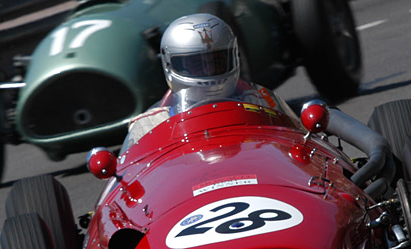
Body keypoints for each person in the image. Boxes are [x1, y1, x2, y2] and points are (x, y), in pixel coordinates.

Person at [122, 13, 288, 148]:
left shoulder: (259, 101)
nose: (209, 71)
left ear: (233, 57)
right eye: (196, 64)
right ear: (170, 64)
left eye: (217, 62)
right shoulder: (149, 124)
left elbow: (293, 144)